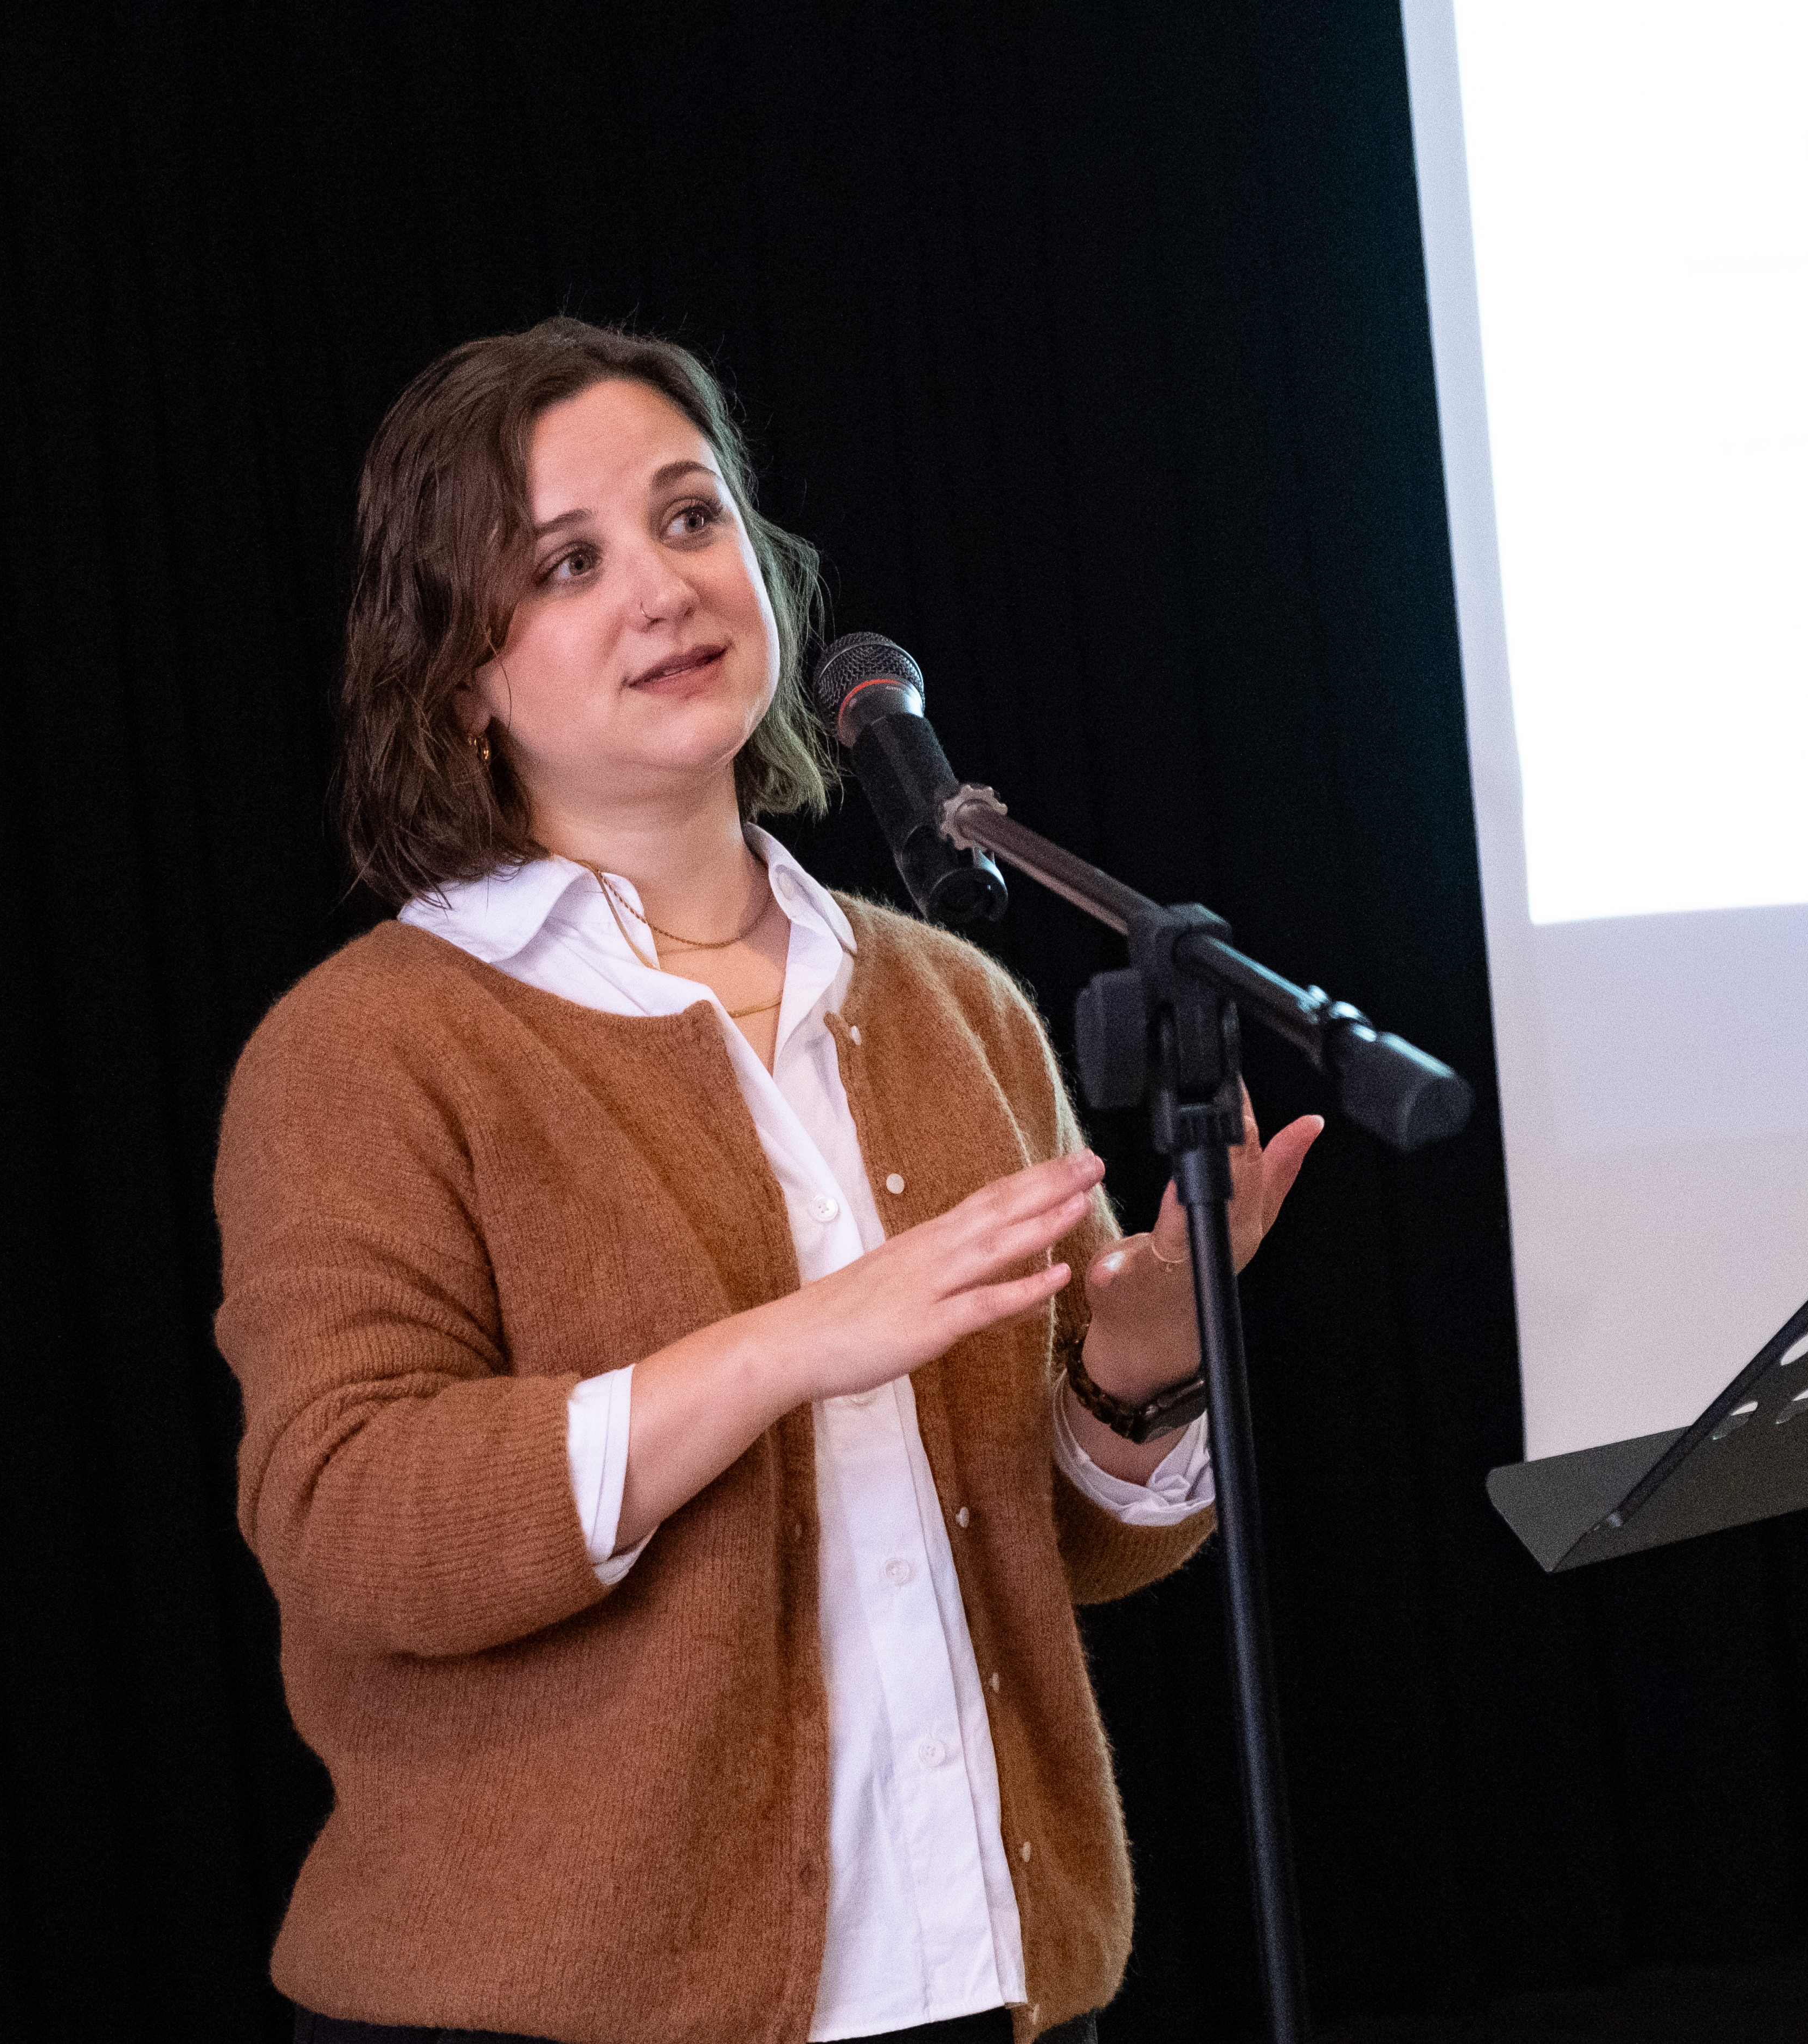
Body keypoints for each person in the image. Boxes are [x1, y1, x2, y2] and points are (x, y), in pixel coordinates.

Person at [214, 317, 1319, 2044]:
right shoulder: (368, 1048)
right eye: (568, 562)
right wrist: (795, 1342)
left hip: (984, 1981)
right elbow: (347, 1519)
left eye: (689, 517)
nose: (662, 587)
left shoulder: (953, 1002)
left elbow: (1059, 1549)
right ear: (458, 674)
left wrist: (1140, 1362)